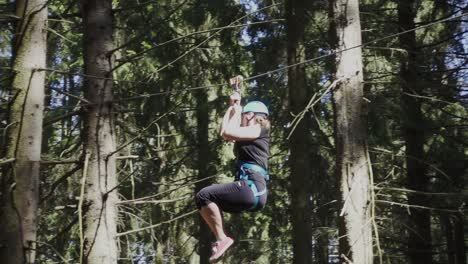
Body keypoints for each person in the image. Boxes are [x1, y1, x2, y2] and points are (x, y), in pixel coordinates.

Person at [195, 92, 271, 262]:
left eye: (244, 116)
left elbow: (229, 132)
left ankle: (222, 238)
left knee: (204, 195)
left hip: (251, 187)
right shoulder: (250, 134)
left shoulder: (259, 128)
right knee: (208, 200)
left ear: (252, 116)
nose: (242, 119)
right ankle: (221, 239)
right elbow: (225, 132)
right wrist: (232, 108)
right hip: (254, 192)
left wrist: (238, 110)